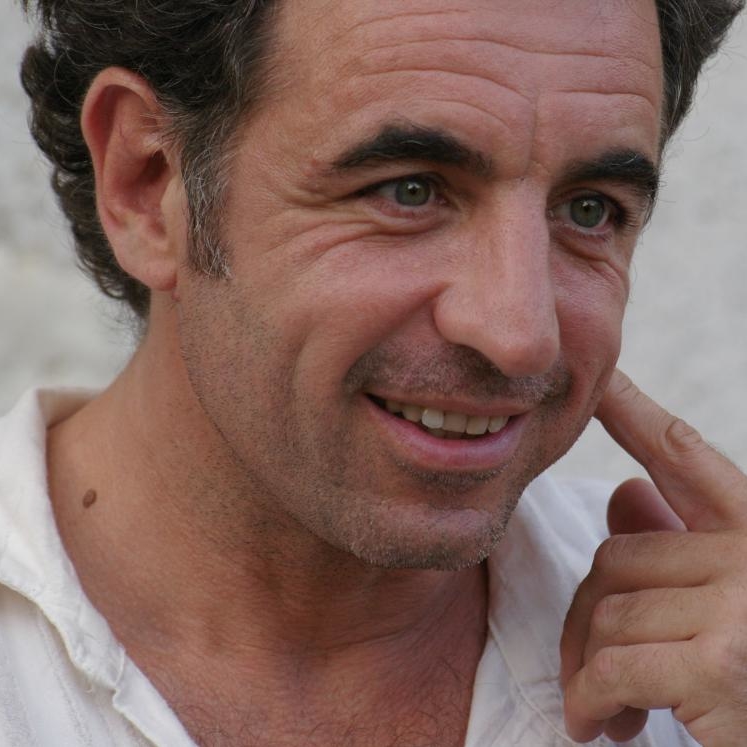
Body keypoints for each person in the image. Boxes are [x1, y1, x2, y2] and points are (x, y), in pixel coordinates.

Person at [3, 0, 745, 744]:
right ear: (147, 183)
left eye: (588, 210)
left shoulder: (713, 683)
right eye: (408, 190)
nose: (522, 336)